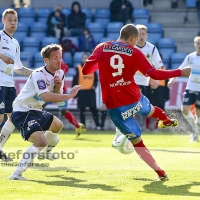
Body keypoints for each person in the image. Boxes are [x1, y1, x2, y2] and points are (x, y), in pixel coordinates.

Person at [82, 24, 191, 180]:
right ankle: (166, 120)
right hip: (134, 98)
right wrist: (180, 72)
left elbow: (86, 71)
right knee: (152, 110)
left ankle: (160, 172)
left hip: (115, 105)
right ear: (132, 38)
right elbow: (155, 74)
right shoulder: (135, 52)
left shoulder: (102, 47)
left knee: (137, 141)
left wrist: (103, 63)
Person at [9, 43, 81, 180]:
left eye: (60, 57)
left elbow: (55, 97)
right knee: (40, 142)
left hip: (36, 109)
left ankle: (46, 153)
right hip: (22, 111)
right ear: (46, 60)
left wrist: (59, 87)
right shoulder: (38, 74)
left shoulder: (60, 73)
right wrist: (69, 95)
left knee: (58, 125)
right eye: (55, 57)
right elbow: (46, 97)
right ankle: (16, 174)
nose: (59, 60)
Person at [0, 8, 33, 162]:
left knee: (12, 118)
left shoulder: (15, 43)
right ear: (3, 21)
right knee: (0, 118)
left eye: (15, 20)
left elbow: (18, 68)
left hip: (9, 84)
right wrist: (2, 56)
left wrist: (36, 73)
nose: (13, 22)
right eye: (10, 20)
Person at [134, 24, 169, 131]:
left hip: (145, 82)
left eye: (143, 34)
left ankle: (158, 123)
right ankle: (129, 128)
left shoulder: (152, 48)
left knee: (146, 107)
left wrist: (156, 79)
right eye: (139, 34)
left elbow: (159, 66)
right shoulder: (130, 47)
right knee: (130, 105)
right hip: (131, 81)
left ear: (147, 35)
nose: (141, 36)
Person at [168, 36, 200, 142]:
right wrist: (172, 80)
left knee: (198, 114)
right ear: (195, 44)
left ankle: (195, 134)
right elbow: (180, 68)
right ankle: (195, 129)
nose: (199, 45)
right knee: (184, 109)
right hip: (190, 87)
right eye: (198, 43)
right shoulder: (190, 57)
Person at [44, 59, 86, 138]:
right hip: (50, 90)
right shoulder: (57, 61)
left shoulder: (57, 62)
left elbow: (64, 71)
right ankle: (40, 126)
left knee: (63, 111)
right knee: (41, 106)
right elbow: (66, 69)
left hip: (60, 91)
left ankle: (77, 125)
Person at [72, 53, 101, 130]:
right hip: (81, 92)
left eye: (86, 58)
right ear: (81, 59)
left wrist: (95, 85)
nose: (85, 59)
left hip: (90, 91)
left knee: (94, 109)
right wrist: (76, 94)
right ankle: (83, 126)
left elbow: (95, 80)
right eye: (83, 58)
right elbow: (74, 81)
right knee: (82, 110)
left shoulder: (93, 68)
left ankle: (98, 125)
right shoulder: (78, 68)